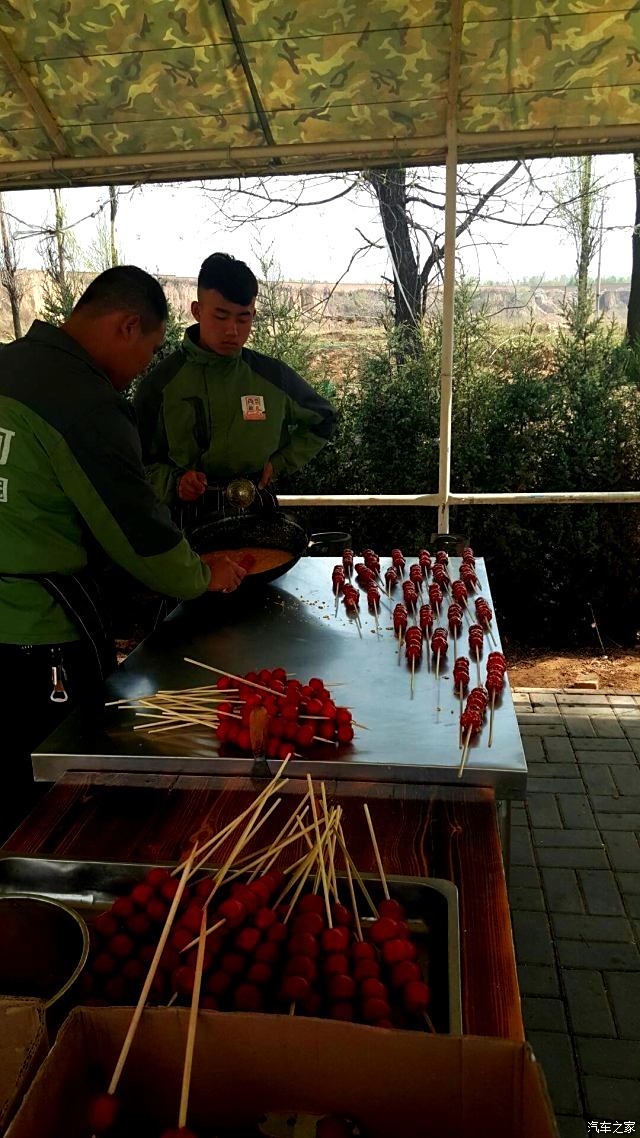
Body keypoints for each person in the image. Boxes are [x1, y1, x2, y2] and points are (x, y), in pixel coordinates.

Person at [0, 265, 245, 839]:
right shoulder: (86, 403)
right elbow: (140, 534)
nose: (142, 370)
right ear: (127, 326)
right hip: (36, 642)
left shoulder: (6, 365)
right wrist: (202, 573)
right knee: (50, 806)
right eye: (151, 348)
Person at [133, 252, 337, 527]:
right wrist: (174, 482)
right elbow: (134, 463)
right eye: (221, 316)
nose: (232, 330)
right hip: (187, 516)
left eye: (243, 319)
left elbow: (323, 419)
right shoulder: (161, 383)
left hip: (257, 506)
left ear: (253, 314)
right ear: (196, 311)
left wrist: (278, 464)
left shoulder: (272, 377)